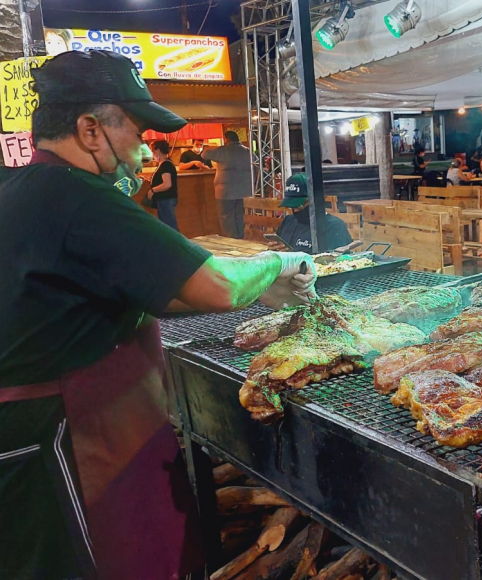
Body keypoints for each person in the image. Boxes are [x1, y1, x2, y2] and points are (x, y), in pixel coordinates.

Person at [0, 49, 318, 580]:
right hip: (73, 445)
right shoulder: (79, 197)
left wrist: (258, 294)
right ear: (90, 129)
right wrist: (279, 261)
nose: (143, 149)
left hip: (39, 440)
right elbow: (215, 284)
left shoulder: (23, 189)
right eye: (138, 131)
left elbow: (127, 285)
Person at [273, 171, 352, 252]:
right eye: (292, 206)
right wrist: (273, 252)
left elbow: (341, 261)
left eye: (299, 205)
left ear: (316, 200)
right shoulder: (288, 222)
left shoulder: (334, 227)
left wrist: (293, 257)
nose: (295, 210)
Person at [203, 131, 251, 238]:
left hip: (225, 191)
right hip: (244, 191)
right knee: (240, 216)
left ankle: (231, 240)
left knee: (226, 217)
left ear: (226, 139)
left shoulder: (224, 151)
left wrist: (214, 147)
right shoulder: (247, 151)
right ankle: (241, 239)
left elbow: (205, 154)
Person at [146, 140, 180, 231]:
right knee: (168, 225)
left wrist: (152, 190)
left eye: (152, 151)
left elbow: (167, 184)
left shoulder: (165, 165)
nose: (152, 154)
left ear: (157, 151)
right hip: (165, 199)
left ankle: (176, 244)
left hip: (166, 199)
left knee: (169, 226)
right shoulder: (165, 164)